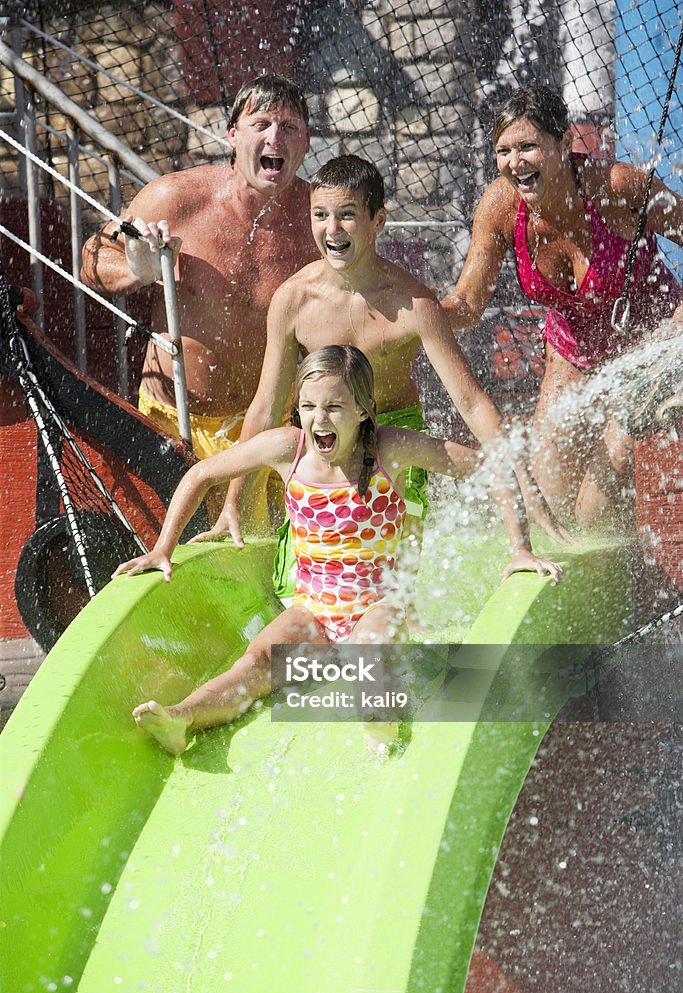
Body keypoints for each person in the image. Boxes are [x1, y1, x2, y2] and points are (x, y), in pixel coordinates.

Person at [114, 346, 562, 755]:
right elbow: (201, 475)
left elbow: (493, 469)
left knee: (370, 655)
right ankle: (182, 718)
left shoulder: (392, 449)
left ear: (364, 411)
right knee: (254, 663)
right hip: (314, 611)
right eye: (308, 407)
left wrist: (520, 548)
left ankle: (381, 725)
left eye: (333, 407)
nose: (318, 420)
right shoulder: (287, 450)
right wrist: (162, 547)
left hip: (379, 604)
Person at [197, 154, 568, 592]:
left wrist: (523, 491)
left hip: (397, 442)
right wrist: (234, 501)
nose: (332, 230)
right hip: (324, 442)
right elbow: (267, 405)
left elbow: (471, 403)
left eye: (347, 215)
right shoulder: (294, 300)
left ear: (378, 221)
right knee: (304, 585)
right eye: (321, 215)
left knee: (385, 583)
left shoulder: (413, 304)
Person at [440, 84, 683, 526]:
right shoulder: (499, 206)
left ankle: (620, 574)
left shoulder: (618, 186)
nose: (515, 163)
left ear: (564, 143)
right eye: (503, 151)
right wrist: (415, 312)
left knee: (593, 512)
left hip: (652, 345)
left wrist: (676, 329)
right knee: (549, 503)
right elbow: (468, 303)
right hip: (574, 349)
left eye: (528, 146)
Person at [81, 74, 318, 485]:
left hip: (266, 431)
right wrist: (141, 270)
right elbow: (93, 257)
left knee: (263, 549)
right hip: (171, 424)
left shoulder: (318, 219)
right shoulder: (177, 198)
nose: (275, 138)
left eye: (290, 126)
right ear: (233, 136)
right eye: (261, 124)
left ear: (307, 141)